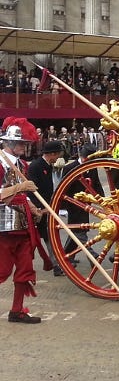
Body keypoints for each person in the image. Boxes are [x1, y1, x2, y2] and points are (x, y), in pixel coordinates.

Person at [0, 117, 48, 324]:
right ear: (9, 143)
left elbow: (24, 196)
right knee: (1, 270)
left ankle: (17, 310)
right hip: (3, 226)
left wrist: (35, 210)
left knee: (25, 269)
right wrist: (20, 188)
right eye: (20, 143)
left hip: (23, 224)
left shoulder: (22, 165)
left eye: (25, 144)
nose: (24, 147)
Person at [27, 140, 66, 276]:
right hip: (38, 209)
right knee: (35, 239)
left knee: (50, 236)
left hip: (48, 207)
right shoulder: (35, 166)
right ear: (52, 154)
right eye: (57, 155)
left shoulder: (50, 166)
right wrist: (38, 209)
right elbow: (31, 190)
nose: (58, 158)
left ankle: (56, 265)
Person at [61, 144, 103, 268]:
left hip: (86, 204)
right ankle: (92, 255)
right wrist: (63, 208)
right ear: (83, 158)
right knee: (79, 231)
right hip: (73, 204)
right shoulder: (69, 168)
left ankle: (67, 256)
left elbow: (97, 185)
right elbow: (64, 189)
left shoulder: (92, 167)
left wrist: (103, 200)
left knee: (76, 230)